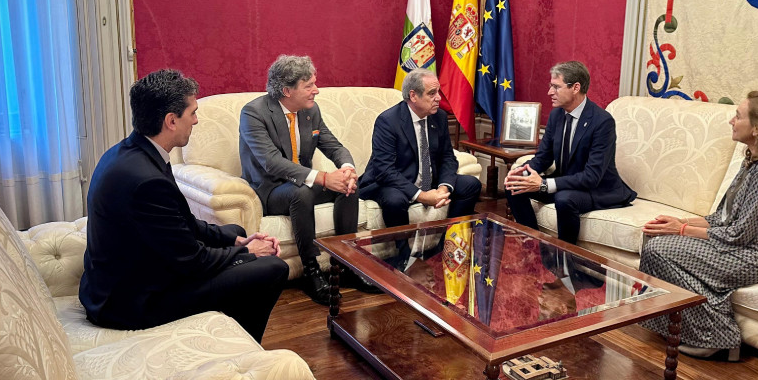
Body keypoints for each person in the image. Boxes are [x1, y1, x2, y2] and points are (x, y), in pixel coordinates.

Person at [80, 69, 288, 343]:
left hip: (134, 274)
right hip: (131, 303)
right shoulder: (146, 180)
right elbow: (193, 261)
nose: (196, 120)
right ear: (171, 121)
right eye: (192, 112)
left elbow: (183, 222)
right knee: (272, 268)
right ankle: (240, 348)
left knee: (234, 228)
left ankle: (229, 332)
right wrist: (247, 251)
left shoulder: (132, 153)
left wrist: (236, 238)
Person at [639, 91, 758, 360]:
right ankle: (699, 326)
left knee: (658, 249)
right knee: (654, 237)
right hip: (746, 245)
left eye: (737, 116)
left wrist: (680, 231)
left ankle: (717, 335)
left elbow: (738, 234)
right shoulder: (753, 160)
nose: (731, 120)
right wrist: (678, 222)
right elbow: (722, 218)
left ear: (757, 127)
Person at [239, 55, 376, 303]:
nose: (317, 90)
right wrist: (323, 177)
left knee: (348, 187)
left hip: (302, 181)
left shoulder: (310, 110)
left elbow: (333, 145)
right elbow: (271, 162)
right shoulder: (254, 113)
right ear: (287, 90)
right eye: (309, 85)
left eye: (315, 83)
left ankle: (345, 264)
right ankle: (311, 271)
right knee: (300, 192)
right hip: (272, 189)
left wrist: (346, 169)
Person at [504, 61, 636, 244]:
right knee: (514, 186)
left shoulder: (602, 122)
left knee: (565, 199)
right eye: (551, 86)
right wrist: (521, 173)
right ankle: (533, 245)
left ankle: (565, 260)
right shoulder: (556, 115)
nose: (550, 92)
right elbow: (543, 157)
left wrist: (543, 184)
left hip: (597, 189)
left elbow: (592, 176)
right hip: (567, 182)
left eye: (556, 87)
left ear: (575, 88)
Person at [358, 68, 481, 228]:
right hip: (394, 182)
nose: (438, 98)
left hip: (430, 180)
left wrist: (444, 188)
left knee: (471, 184)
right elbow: (384, 170)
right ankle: (403, 252)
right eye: (432, 93)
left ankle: (449, 240)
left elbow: (448, 158)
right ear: (413, 95)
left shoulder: (439, 117)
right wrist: (421, 196)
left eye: (438, 92)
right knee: (394, 200)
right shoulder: (388, 121)